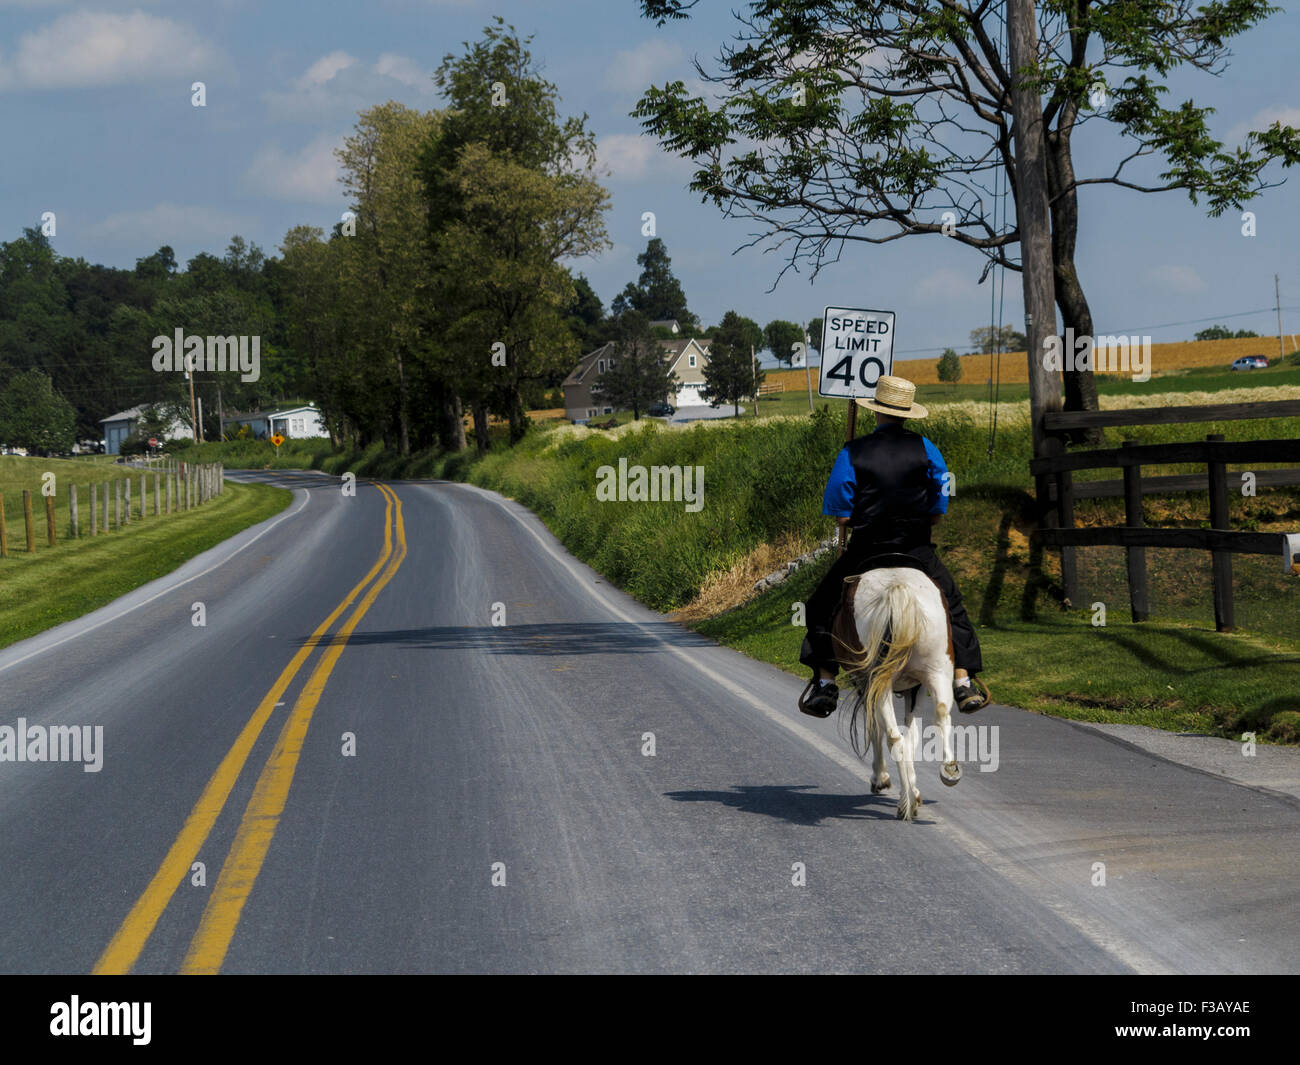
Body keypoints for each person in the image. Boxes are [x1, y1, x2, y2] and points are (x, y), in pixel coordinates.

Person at [799, 375, 989, 717]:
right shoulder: (927, 448)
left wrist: (856, 516)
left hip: (866, 551)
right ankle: (962, 680)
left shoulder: (852, 451)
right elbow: (939, 501)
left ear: (876, 412)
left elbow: (841, 514)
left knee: (820, 604)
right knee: (953, 605)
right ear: (907, 414)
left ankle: (826, 682)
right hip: (916, 550)